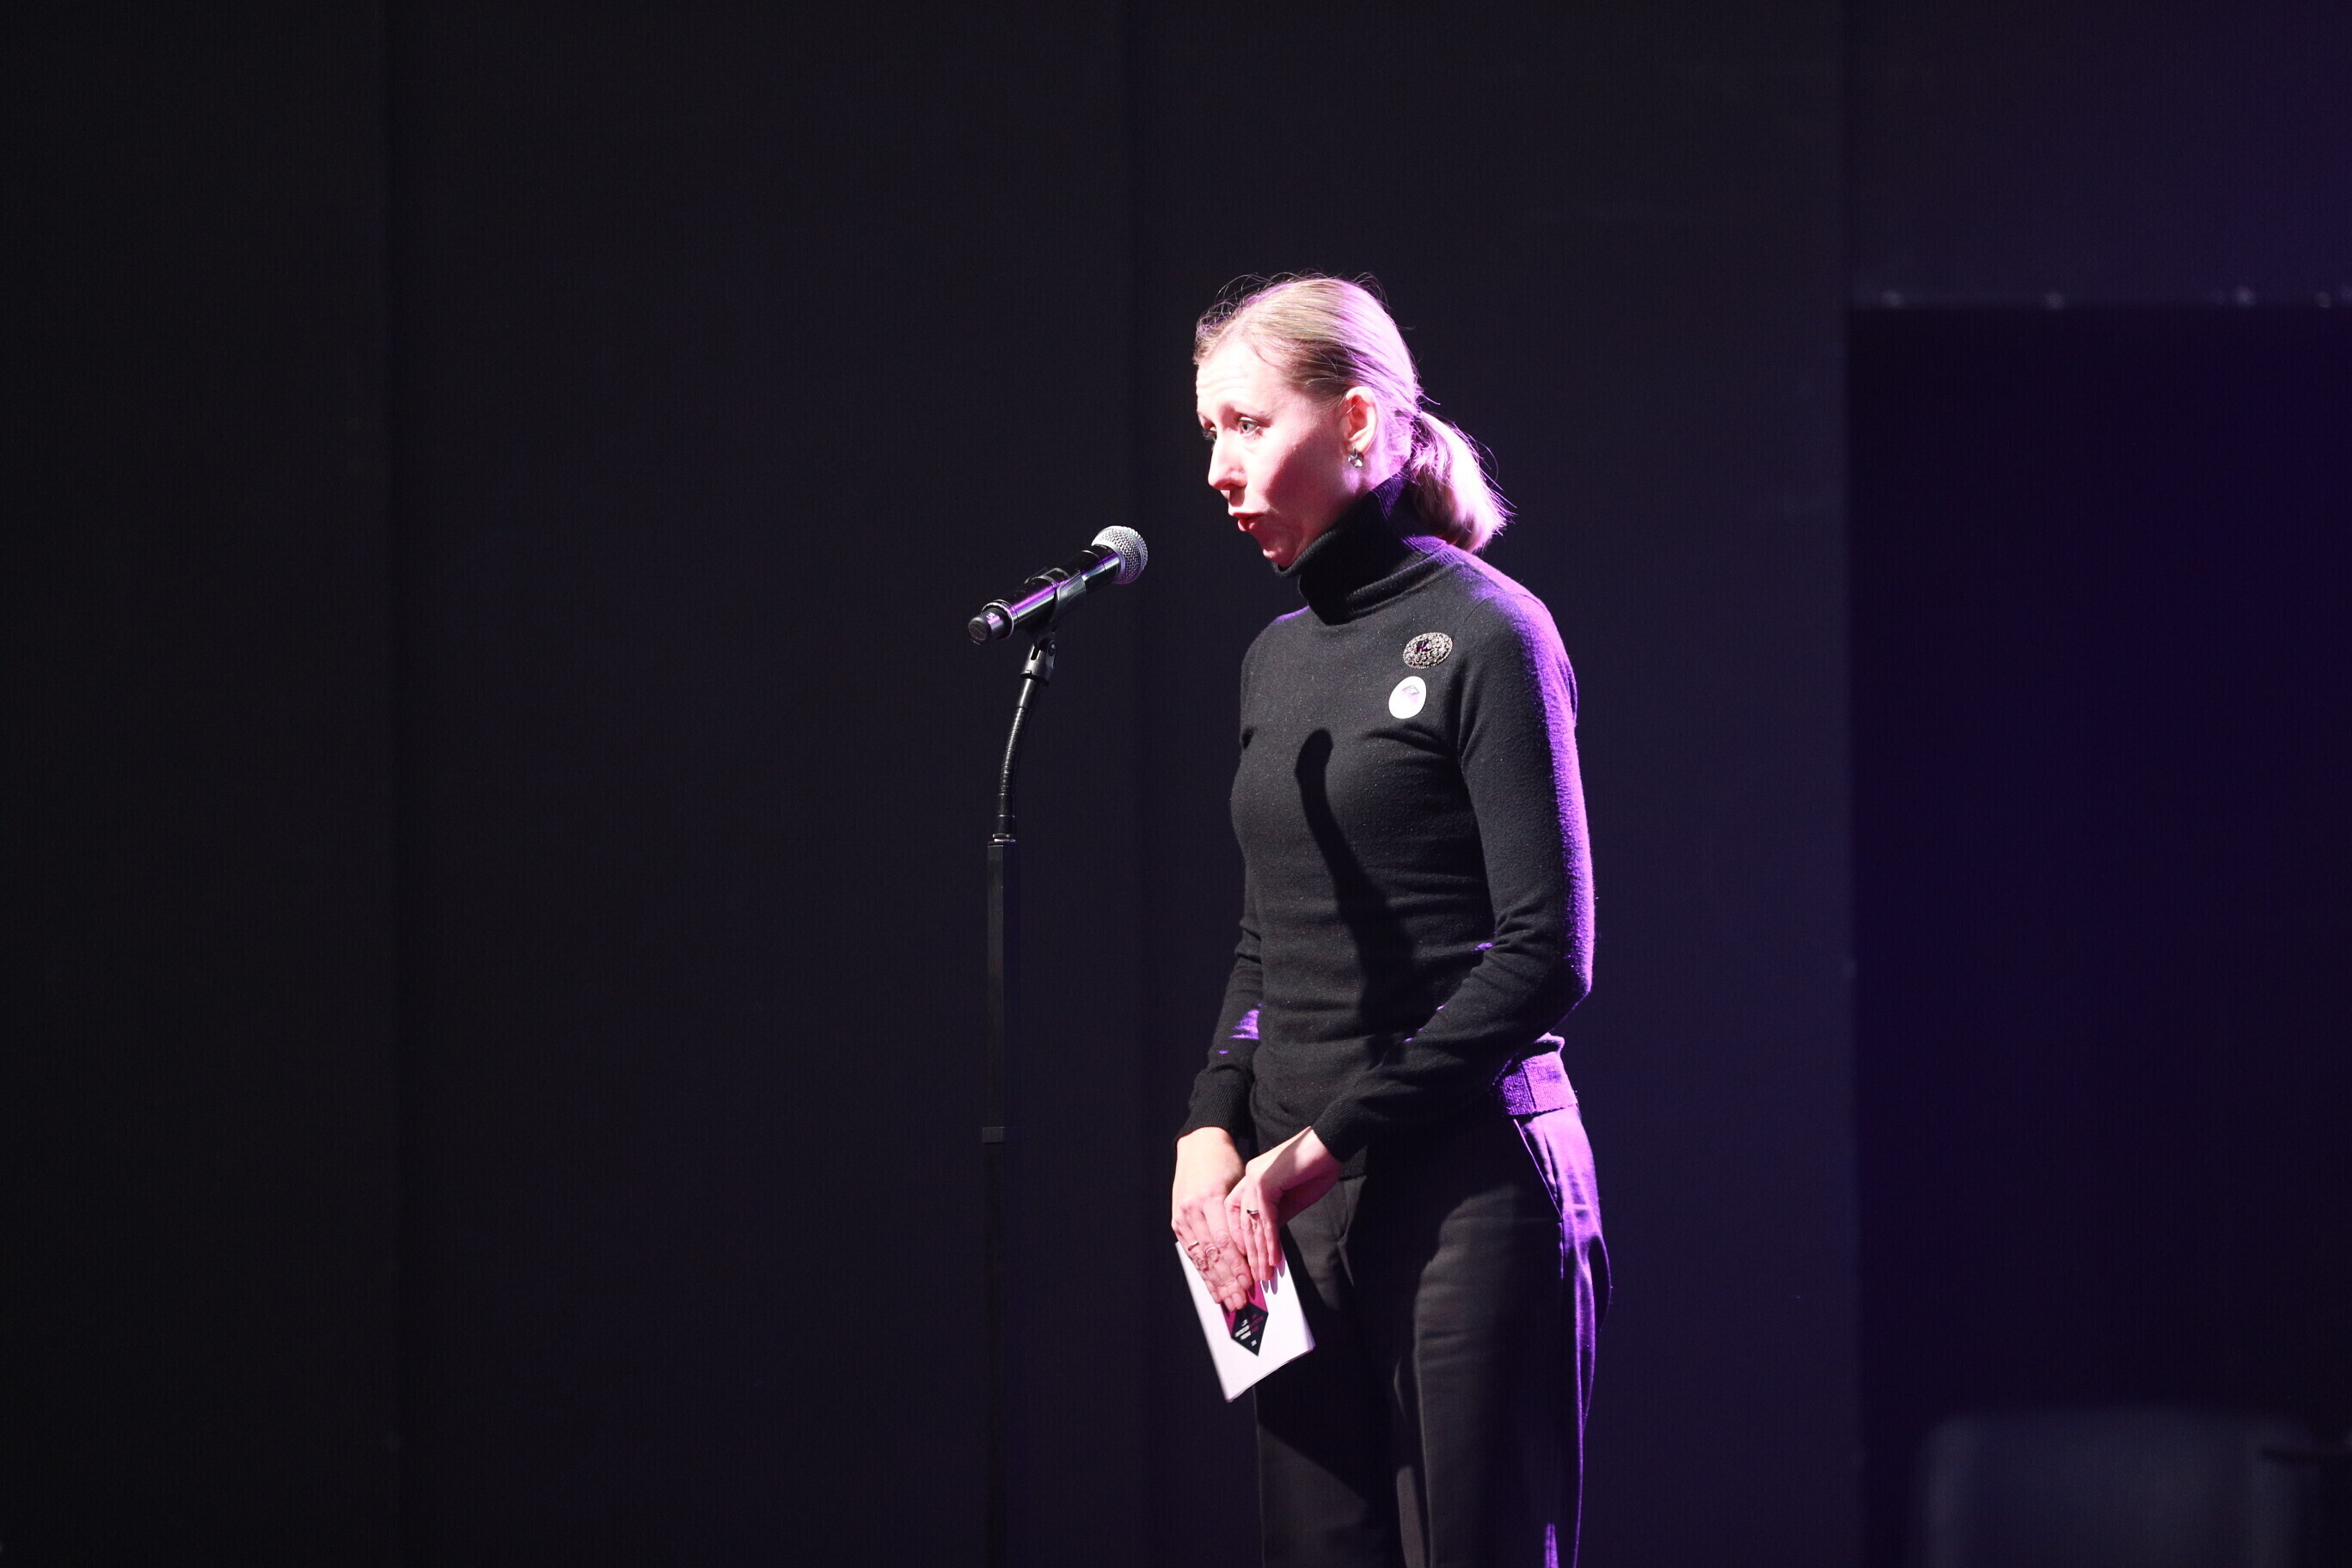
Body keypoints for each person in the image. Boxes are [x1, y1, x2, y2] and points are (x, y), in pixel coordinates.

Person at [1169, 276, 1607, 1568]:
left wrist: (1324, 1144)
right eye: (1209, 432)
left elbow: (1547, 956)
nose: (1217, 469)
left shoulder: (1489, 634)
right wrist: (1209, 1124)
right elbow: (1268, 937)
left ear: (1357, 422)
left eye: (1247, 425)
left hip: (1464, 1193)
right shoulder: (1274, 658)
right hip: (1286, 1210)